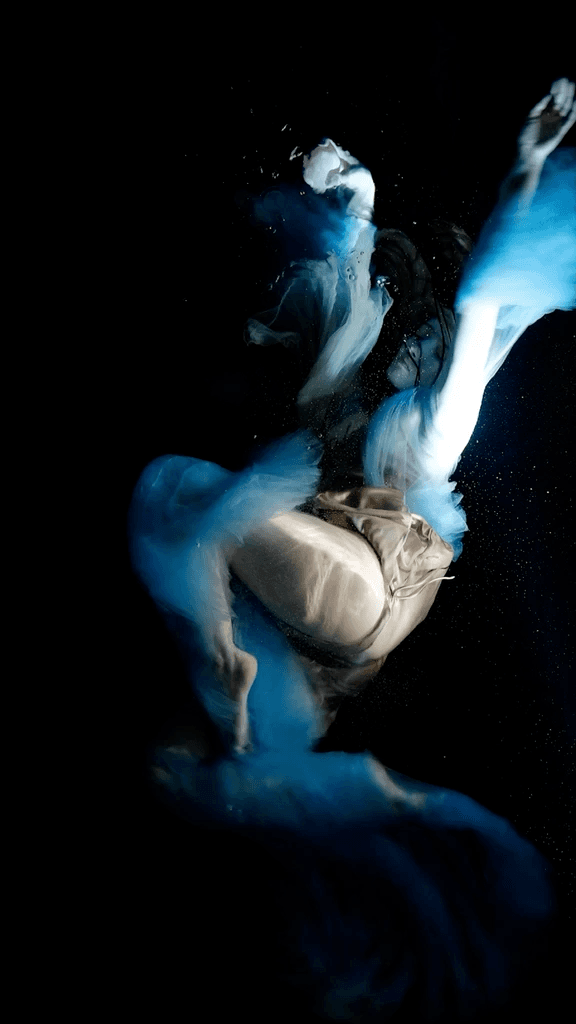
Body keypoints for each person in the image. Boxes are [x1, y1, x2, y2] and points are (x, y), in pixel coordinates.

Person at [128, 81, 574, 1020]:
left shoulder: (434, 427)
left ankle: (226, 671)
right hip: (329, 644)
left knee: (173, 489)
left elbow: (484, 313)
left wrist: (528, 167)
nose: (404, 343)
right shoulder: (360, 413)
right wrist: (357, 196)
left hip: (367, 592)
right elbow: (345, 298)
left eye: (421, 335)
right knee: (174, 772)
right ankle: (243, 702)